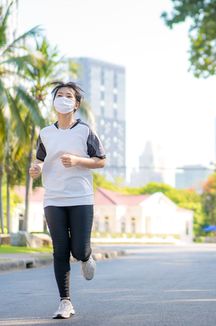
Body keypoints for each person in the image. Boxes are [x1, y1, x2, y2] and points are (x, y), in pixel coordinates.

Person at [29, 82, 106, 319]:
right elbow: (42, 158)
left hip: (80, 196)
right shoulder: (45, 132)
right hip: (53, 197)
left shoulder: (85, 131)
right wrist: (37, 168)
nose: (63, 98)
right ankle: (65, 302)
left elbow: (101, 160)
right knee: (60, 250)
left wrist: (77, 161)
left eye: (68, 95)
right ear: (54, 102)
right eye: (59, 95)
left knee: (78, 248)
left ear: (76, 104)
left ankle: (86, 256)